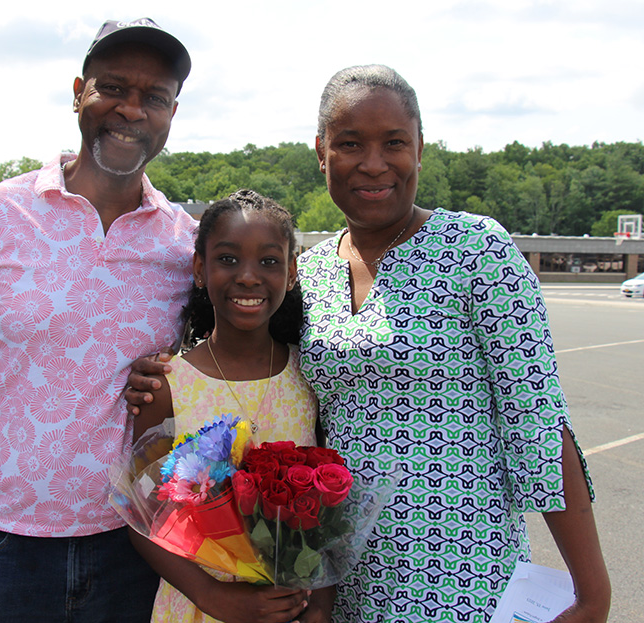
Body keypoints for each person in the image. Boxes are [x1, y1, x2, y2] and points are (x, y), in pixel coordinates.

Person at [126, 65, 611, 623]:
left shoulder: (477, 251)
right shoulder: (311, 273)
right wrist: (163, 370)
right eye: (351, 143)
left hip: (462, 576)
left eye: (395, 143)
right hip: (336, 586)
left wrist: (591, 591)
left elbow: (539, 425)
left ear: (421, 149)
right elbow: (247, 351)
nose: (374, 164)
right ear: (321, 153)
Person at [0, 18, 196, 623]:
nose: (131, 110)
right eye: (113, 87)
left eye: (153, 97)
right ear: (79, 90)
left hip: (136, 548)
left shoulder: (184, 247)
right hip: (2, 548)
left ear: (172, 112)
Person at [130, 190, 331, 623]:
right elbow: (142, 513)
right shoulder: (167, 385)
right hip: (196, 606)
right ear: (200, 269)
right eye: (227, 259)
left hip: (290, 607)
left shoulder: (311, 376)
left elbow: (329, 505)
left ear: (292, 273)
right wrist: (212, 595)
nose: (248, 277)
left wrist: (321, 602)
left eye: (269, 261)